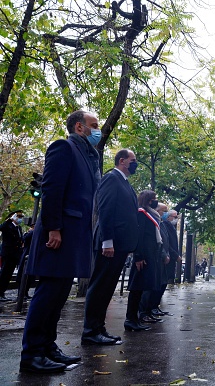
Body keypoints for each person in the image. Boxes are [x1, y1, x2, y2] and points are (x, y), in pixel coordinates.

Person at [20, 110, 101, 373]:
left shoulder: (89, 157)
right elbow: (51, 189)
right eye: (94, 125)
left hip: (75, 234)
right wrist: (54, 228)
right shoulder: (63, 148)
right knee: (49, 291)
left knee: (60, 291)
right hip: (60, 232)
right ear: (79, 127)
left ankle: (47, 346)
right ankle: (31, 354)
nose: (97, 130)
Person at [82, 149, 139, 345]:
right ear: (122, 160)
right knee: (100, 286)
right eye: (133, 160)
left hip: (120, 245)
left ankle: (99, 328)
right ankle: (90, 331)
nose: (135, 163)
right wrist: (108, 241)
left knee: (107, 288)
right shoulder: (111, 178)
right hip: (110, 244)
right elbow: (105, 209)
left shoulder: (124, 182)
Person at [125, 190, 162, 331]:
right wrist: (138, 256)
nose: (155, 201)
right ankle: (131, 319)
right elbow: (139, 236)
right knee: (137, 288)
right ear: (148, 199)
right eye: (154, 198)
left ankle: (135, 319)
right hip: (143, 255)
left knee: (141, 288)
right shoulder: (141, 213)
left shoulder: (150, 213)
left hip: (150, 254)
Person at [0, 210, 25, 301]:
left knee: (8, 275)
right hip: (8, 253)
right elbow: (1, 227)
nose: (20, 219)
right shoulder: (8, 226)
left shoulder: (19, 228)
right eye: (18, 217)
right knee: (4, 273)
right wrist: (9, 220)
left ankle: (2, 292)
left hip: (15, 254)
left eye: (21, 217)